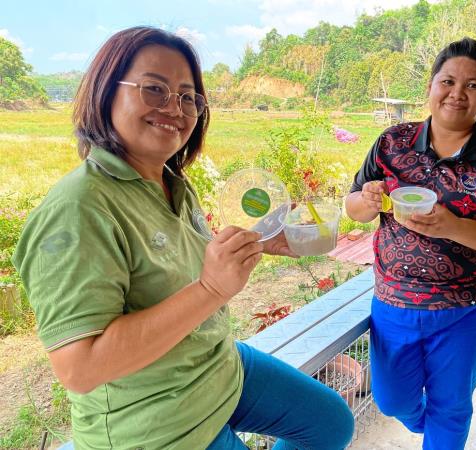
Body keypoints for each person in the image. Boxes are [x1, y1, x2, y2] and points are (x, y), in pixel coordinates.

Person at [12, 26, 354, 450]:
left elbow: (185, 268)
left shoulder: (173, 182)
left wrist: (259, 244)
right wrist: (212, 288)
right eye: (154, 89)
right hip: (159, 422)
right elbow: (79, 368)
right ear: (105, 92)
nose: (175, 108)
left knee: (329, 423)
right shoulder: (77, 210)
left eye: (189, 96)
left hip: (214, 364)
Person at [345, 37, 476, 450]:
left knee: (450, 409)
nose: (458, 93)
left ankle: (441, 432)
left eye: (473, 86)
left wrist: (452, 226)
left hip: (466, 308)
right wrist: (367, 200)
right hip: (394, 300)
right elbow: (353, 207)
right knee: (392, 399)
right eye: (448, 81)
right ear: (431, 86)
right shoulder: (392, 143)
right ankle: (430, 427)